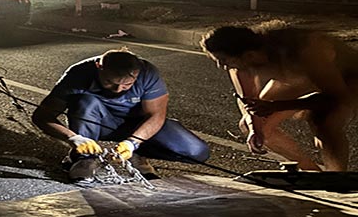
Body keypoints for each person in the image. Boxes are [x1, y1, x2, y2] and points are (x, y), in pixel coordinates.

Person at [32, 49, 211, 179]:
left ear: (137, 73)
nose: (118, 89)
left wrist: (132, 143)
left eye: (126, 85)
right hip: (98, 121)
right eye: (110, 82)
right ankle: (84, 158)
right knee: (85, 101)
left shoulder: (148, 73)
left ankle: (136, 153)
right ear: (99, 67)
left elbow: (156, 115)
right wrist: (73, 138)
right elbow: (42, 116)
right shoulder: (79, 73)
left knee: (197, 152)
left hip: (136, 125)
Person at [201, 25, 358, 171]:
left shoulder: (306, 50)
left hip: (346, 78)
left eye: (223, 61)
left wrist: (277, 106)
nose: (222, 67)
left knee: (323, 122)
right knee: (255, 125)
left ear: (249, 55)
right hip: (300, 77)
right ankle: (311, 171)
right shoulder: (239, 63)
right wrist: (255, 129)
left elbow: (335, 97)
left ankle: (337, 175)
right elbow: (248, 103)